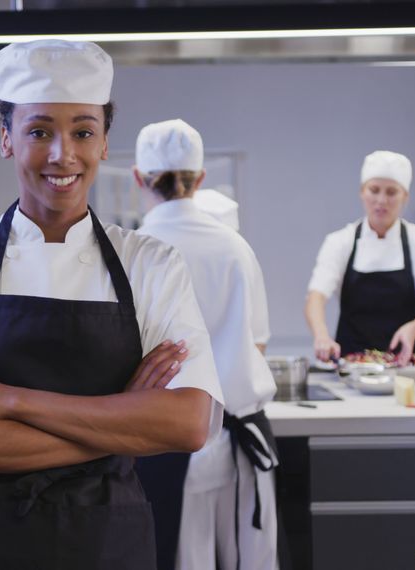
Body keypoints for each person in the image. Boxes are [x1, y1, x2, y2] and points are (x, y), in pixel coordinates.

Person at [0, 40, 224, 570]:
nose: (62, 154)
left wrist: (2, 400)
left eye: (82, 131)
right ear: (7, 139)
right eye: (38, 131)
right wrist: (119, 423)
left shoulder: (151, 263)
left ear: (103, 143)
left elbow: (186, 423)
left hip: (109, 546)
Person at [133, 119, 280, 570]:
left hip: (165, 445)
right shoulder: (236, 248)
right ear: (200, 179)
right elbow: (256, 346)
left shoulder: (135, 250)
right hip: (239, 445)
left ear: (139, 178)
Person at [305, 150, 415, 365]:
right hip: (352, 365)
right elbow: (315, 298)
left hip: (407, 365)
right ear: (362, 192)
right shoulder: (339, 242)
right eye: (374, 190)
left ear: (405, 196)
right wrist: (321, 336)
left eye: (391, 192)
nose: (381, 200)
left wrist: (413, 329)